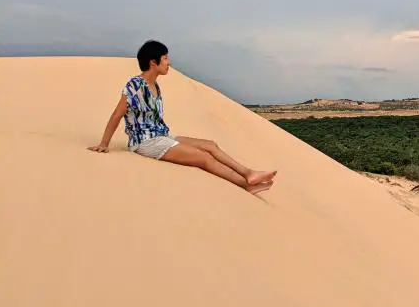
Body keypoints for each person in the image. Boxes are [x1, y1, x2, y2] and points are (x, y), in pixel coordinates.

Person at [88, 40, 277, 195]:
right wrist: (104, 143)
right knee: (204, 158)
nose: (169, 62)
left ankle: (248, 173)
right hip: (145, 142)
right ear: (153, 62)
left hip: (161, 136)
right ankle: (245, 185)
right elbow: (117, 114)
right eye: (165, 58)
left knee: (210, 145)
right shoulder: (135, 85)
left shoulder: (155, 86)